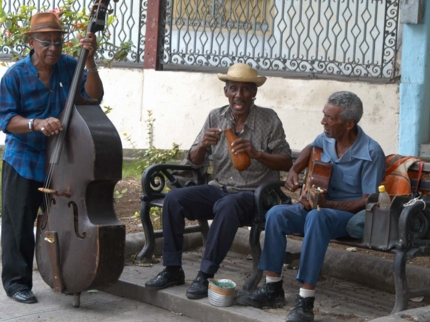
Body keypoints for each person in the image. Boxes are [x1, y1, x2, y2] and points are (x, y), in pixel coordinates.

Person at [144, 63, 293, 299]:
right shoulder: (216, 116)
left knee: (228, 205)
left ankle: (205, 274)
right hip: (220, 188)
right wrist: (202, 145)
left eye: (245, 90)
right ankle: (172, 269)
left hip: (255, 195)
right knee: (174, 198)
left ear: (254, 93)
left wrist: (258, 154)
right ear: (226, 92)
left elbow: (286, 162)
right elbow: (193, 160)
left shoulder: (269, 119)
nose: (239, 95)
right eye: (233, 89)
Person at [236, 91, 386, 322]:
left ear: (348, 124)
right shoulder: (325, 138)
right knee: (276, 213)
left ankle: (305, 300)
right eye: (323, 115)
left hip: (345, 215)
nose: (323, 121)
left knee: (317, 218)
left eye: (329, 118)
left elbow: (369, 200)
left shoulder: (371, 152)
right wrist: (295, 171)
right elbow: (309, 149)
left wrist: (329, 204)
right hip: (317, 208)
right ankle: (272, 288)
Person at [0, 12, 103, 304]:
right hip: (24, 159)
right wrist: (36, 123)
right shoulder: (15, 75)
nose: (54, 49)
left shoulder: (70, 66)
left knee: (62, 221)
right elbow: (5, 119)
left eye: (59, 42)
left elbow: (93, 97)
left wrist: (90, 60)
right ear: (32, 42)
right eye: (46, 42)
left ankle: (67, 274)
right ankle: (17, 283)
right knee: (19, 225)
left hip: (62, 162)